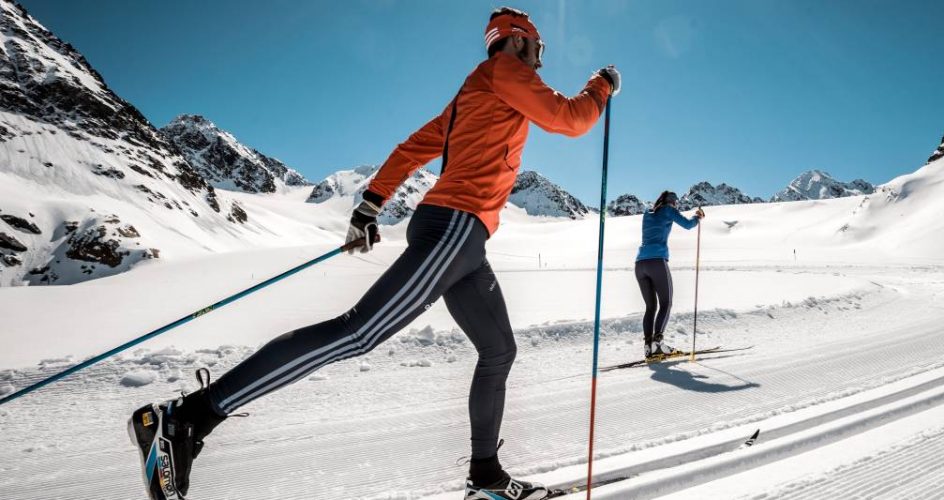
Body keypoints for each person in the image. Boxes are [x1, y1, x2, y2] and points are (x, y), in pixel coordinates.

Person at [128, 7, 619, 500]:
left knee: (499, 350)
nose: (540, 62)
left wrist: (370, 205)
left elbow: (413, 148)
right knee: (358, 332)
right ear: (518, 42)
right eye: (539, 50)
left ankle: (486, 479)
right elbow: (570, 119)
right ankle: (185, 419)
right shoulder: (504, 71)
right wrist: (601, 85)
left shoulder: (477, 92)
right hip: (453, 228)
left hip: (465, 242)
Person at [634, 191, 704, 361]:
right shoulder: (668, 210)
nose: (676, 206)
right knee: (666, 303)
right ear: (672, 202)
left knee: (651, 307)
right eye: (675, 203)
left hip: (640, 264)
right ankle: (658, 345)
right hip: (657, 262)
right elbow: (687, 225)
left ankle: (648, 348)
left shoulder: (647, 214)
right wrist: (698, 218)